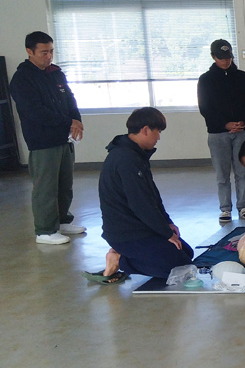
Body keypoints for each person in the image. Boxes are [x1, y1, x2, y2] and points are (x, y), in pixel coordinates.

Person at [91, 107, 193, 283]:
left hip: (141, 226)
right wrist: (166, 234)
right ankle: (119, 259)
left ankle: (128, 255)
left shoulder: (135, 155)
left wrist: (167, 223)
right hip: (126, 233)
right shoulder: (126, 159)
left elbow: (152, 195)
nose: (158, 137)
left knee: (186, 253)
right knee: (179, 266)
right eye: (157, 132)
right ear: (146, 130)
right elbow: (141, 204)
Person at [9, 31, 86, 245]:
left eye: (51, 51)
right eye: (44, 52)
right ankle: (45, 230)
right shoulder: (22, 79)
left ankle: (62, 221)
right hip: (42, 141)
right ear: (29, 51)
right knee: (46, 187)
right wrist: (68, 122)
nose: (49, 56)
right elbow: (35, 111)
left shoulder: (56, 73)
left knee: (64, 184)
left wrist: (76, 120)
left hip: (64, 138)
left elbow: (69, 99)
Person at [197, 39, 245, 223]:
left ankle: (243, 205)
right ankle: (225, 208)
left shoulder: (242, 77)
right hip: (218, 134)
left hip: (242, 131)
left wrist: (243, 122)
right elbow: (205, 107)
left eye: (228, 57)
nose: (226, 61)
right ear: (213, 57)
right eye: (221, 58)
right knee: (222, 174)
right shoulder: (206, 80)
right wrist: (225, 124)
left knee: (242, 171)